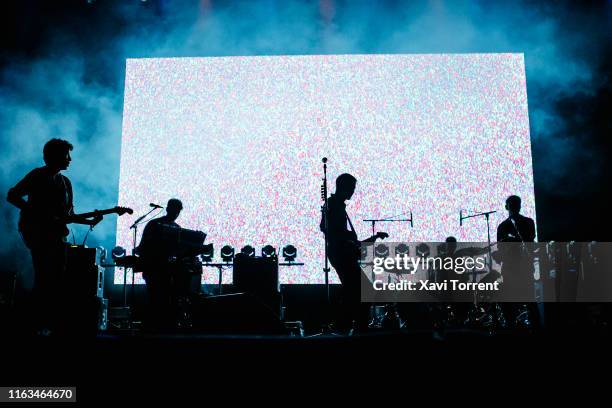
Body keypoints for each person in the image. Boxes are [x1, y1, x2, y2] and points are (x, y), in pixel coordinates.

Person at [7, 138, 102, 335]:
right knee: (44, 278)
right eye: (67, 155)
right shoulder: (37, 175)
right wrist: (35, 212)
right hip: (39, 234)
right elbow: (13, 195)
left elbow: (68, 217)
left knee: (56, 280)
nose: (70, 160)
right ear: (54, 156)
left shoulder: (66, 183)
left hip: (57, 236)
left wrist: (90, 221)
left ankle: (48, 324)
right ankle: (35, 325)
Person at [321, 173, 388, 333]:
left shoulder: (337, 205)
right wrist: (347, 237)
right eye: (351, 188)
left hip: (341, 252)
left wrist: (373, 238)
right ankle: (352, 327)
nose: (352, 192)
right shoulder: (333, 205)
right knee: (360, 289)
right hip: (340, 253)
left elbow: (348, 239)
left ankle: (349, 325)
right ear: (343, 187)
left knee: (354, 289)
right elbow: (326, 228)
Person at [137, 198, 197, 330]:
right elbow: (145, 246)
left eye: (178, 211)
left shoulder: (177, 228)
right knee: (156, 297)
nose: (176, 214)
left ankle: (165, 326)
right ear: (168, 208)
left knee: (168, 298)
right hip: (155, 267)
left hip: (170, 270)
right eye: (175, 210)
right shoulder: (155, 224)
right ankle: (154, 326)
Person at [496, 195, 537, 328]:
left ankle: (514, 329)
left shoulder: (506, 225)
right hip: (513, 267)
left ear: (507, 206)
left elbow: (529, 242)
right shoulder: (526, 222)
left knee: (520, 302)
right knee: (526, 301)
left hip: (518, 266)